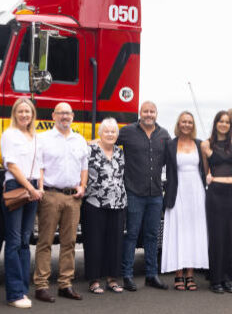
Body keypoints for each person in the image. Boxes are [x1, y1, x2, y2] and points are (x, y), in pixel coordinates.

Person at [34, 102, 89, 303]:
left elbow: (84, 166)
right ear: (53, 116)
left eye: (68, 113)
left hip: (73, 198)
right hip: (50, 195)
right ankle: (41, 285)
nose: (64, 117)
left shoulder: (79, 140)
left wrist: (82, 186)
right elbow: (39, 166)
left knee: (69, 242)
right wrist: (40, 189)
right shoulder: (43, 139)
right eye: (61, 113)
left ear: (72, 116)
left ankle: (65, 284)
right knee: (45, 241)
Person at [118, 101, 171, 291]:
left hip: (156, 194)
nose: (149, 114)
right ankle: (127, 275)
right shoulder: (126, 132)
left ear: (156, 113)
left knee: (152, 236)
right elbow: (107, 144)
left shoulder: (164, 134)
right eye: (145, 111)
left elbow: (171, 161)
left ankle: (151, 275)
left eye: (152, 111)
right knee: (131, 235)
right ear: (139, 113)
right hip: (134, 193)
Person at [0, 97, 44, 309]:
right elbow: (12, 165)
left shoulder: (35, 136)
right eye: (21, 111)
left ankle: (23, 289)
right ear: (15, 114)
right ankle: (14, 293)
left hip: (34, 187)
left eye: (28, 111)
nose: (24, 115)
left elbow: (40, 165)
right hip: (17, 187)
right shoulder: (10, 135)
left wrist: (40, 187)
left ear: (32, 114)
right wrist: (31, 188)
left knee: (26, 240)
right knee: (14, 240)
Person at [162, 111, 208, 291]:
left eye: (189, 122)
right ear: (178, 124)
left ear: (193, 125)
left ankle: (190, 275)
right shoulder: (170, 144)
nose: (186, 125)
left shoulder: (200, 144)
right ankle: (178, 274)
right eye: (183, 122)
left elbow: (206, 169)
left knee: (194, 233)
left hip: (196, 192)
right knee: (178, 232)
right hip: (177, 191)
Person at [83, 118, 127, 294]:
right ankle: (94, 281)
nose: (110, 134)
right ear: (100, 133)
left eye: (113, 131)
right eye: (107, 131)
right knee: (94, 242)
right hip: (95, 202)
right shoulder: (90, 150)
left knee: (115, 243)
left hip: (118, 202)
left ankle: (112, 279)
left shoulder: (120, 152)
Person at [202, 110, 232, 294]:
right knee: (217, 236)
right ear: (216, 123)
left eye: (227, 121)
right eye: (221, 121)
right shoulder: (206, 144)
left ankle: (228, 278)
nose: (225, 124)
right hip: (216, 193)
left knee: (230, 236)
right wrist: (208, 176)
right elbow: (205, 169)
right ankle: (216, 279)